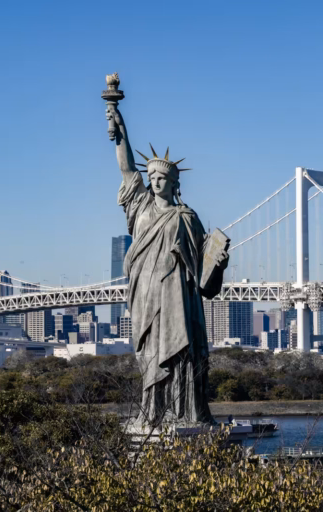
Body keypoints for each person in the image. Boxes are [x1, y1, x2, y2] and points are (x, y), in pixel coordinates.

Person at [106, 91, 229, 429]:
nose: (156, 181)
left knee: (180, 354)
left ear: (175, 183)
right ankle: (153, 411)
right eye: (153, 177)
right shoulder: (141, 206)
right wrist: (121, 131)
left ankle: (185, 412)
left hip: (179, 299)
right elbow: (126, 169)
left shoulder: (187, 217)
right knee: (151, 355)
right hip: (146, 295)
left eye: (163, 178)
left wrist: (218, 262)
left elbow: (205, 277)